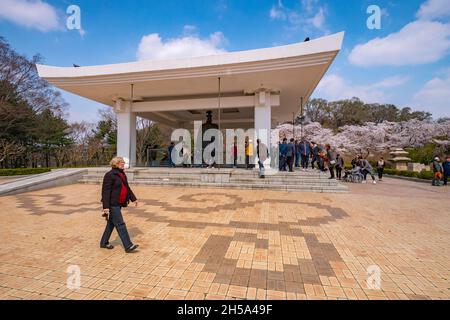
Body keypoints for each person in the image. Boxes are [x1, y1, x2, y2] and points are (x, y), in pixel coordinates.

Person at [100, 157, 139, 253]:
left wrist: (134, 199)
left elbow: (127, 188)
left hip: (119, 203)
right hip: (113, 204)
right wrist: (105, 207)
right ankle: (128, 246)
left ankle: (104, 242)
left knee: (111, 223)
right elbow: (105, 192)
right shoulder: (109, 175)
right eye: (122, 162)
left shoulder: (122, 174)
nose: (123, 163)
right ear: (116, 163)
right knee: (120, 224)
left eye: (123, 162)